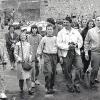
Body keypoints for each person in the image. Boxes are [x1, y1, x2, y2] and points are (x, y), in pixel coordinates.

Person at [57, 17, 83, 93]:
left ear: (70, 23)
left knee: (80, 67)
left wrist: (76, 45)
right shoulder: (60, 33)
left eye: (66, 22)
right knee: (67, 71)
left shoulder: (76, 31)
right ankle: (70, 85)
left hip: (75, 52)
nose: (65, 24)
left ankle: (76, 84)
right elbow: (58, 44)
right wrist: (67, 46)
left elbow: (81, 41)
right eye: (64, 22)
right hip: (66, 53)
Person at [37, 24, 57, 95]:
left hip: (54, 56)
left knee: (53, 72)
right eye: (48, 29)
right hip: (47, 56)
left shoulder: (55, 38)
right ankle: (47, 87)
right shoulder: (44, 38)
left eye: (51, 29)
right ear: (46, 30)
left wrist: (60, 57)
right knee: (49, 72)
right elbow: (40, 48)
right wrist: (38, 56)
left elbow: (58, 47)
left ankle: (51, 87)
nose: (50, 30)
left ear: (53, 30)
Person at [84, 16, 100, 89]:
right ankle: (92, 81)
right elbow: (86, 42)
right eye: (98, 20)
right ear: (95, 22)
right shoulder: (91, 31)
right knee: (95, 68)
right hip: (95, 52)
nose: (99, 21)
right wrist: (86, 52)